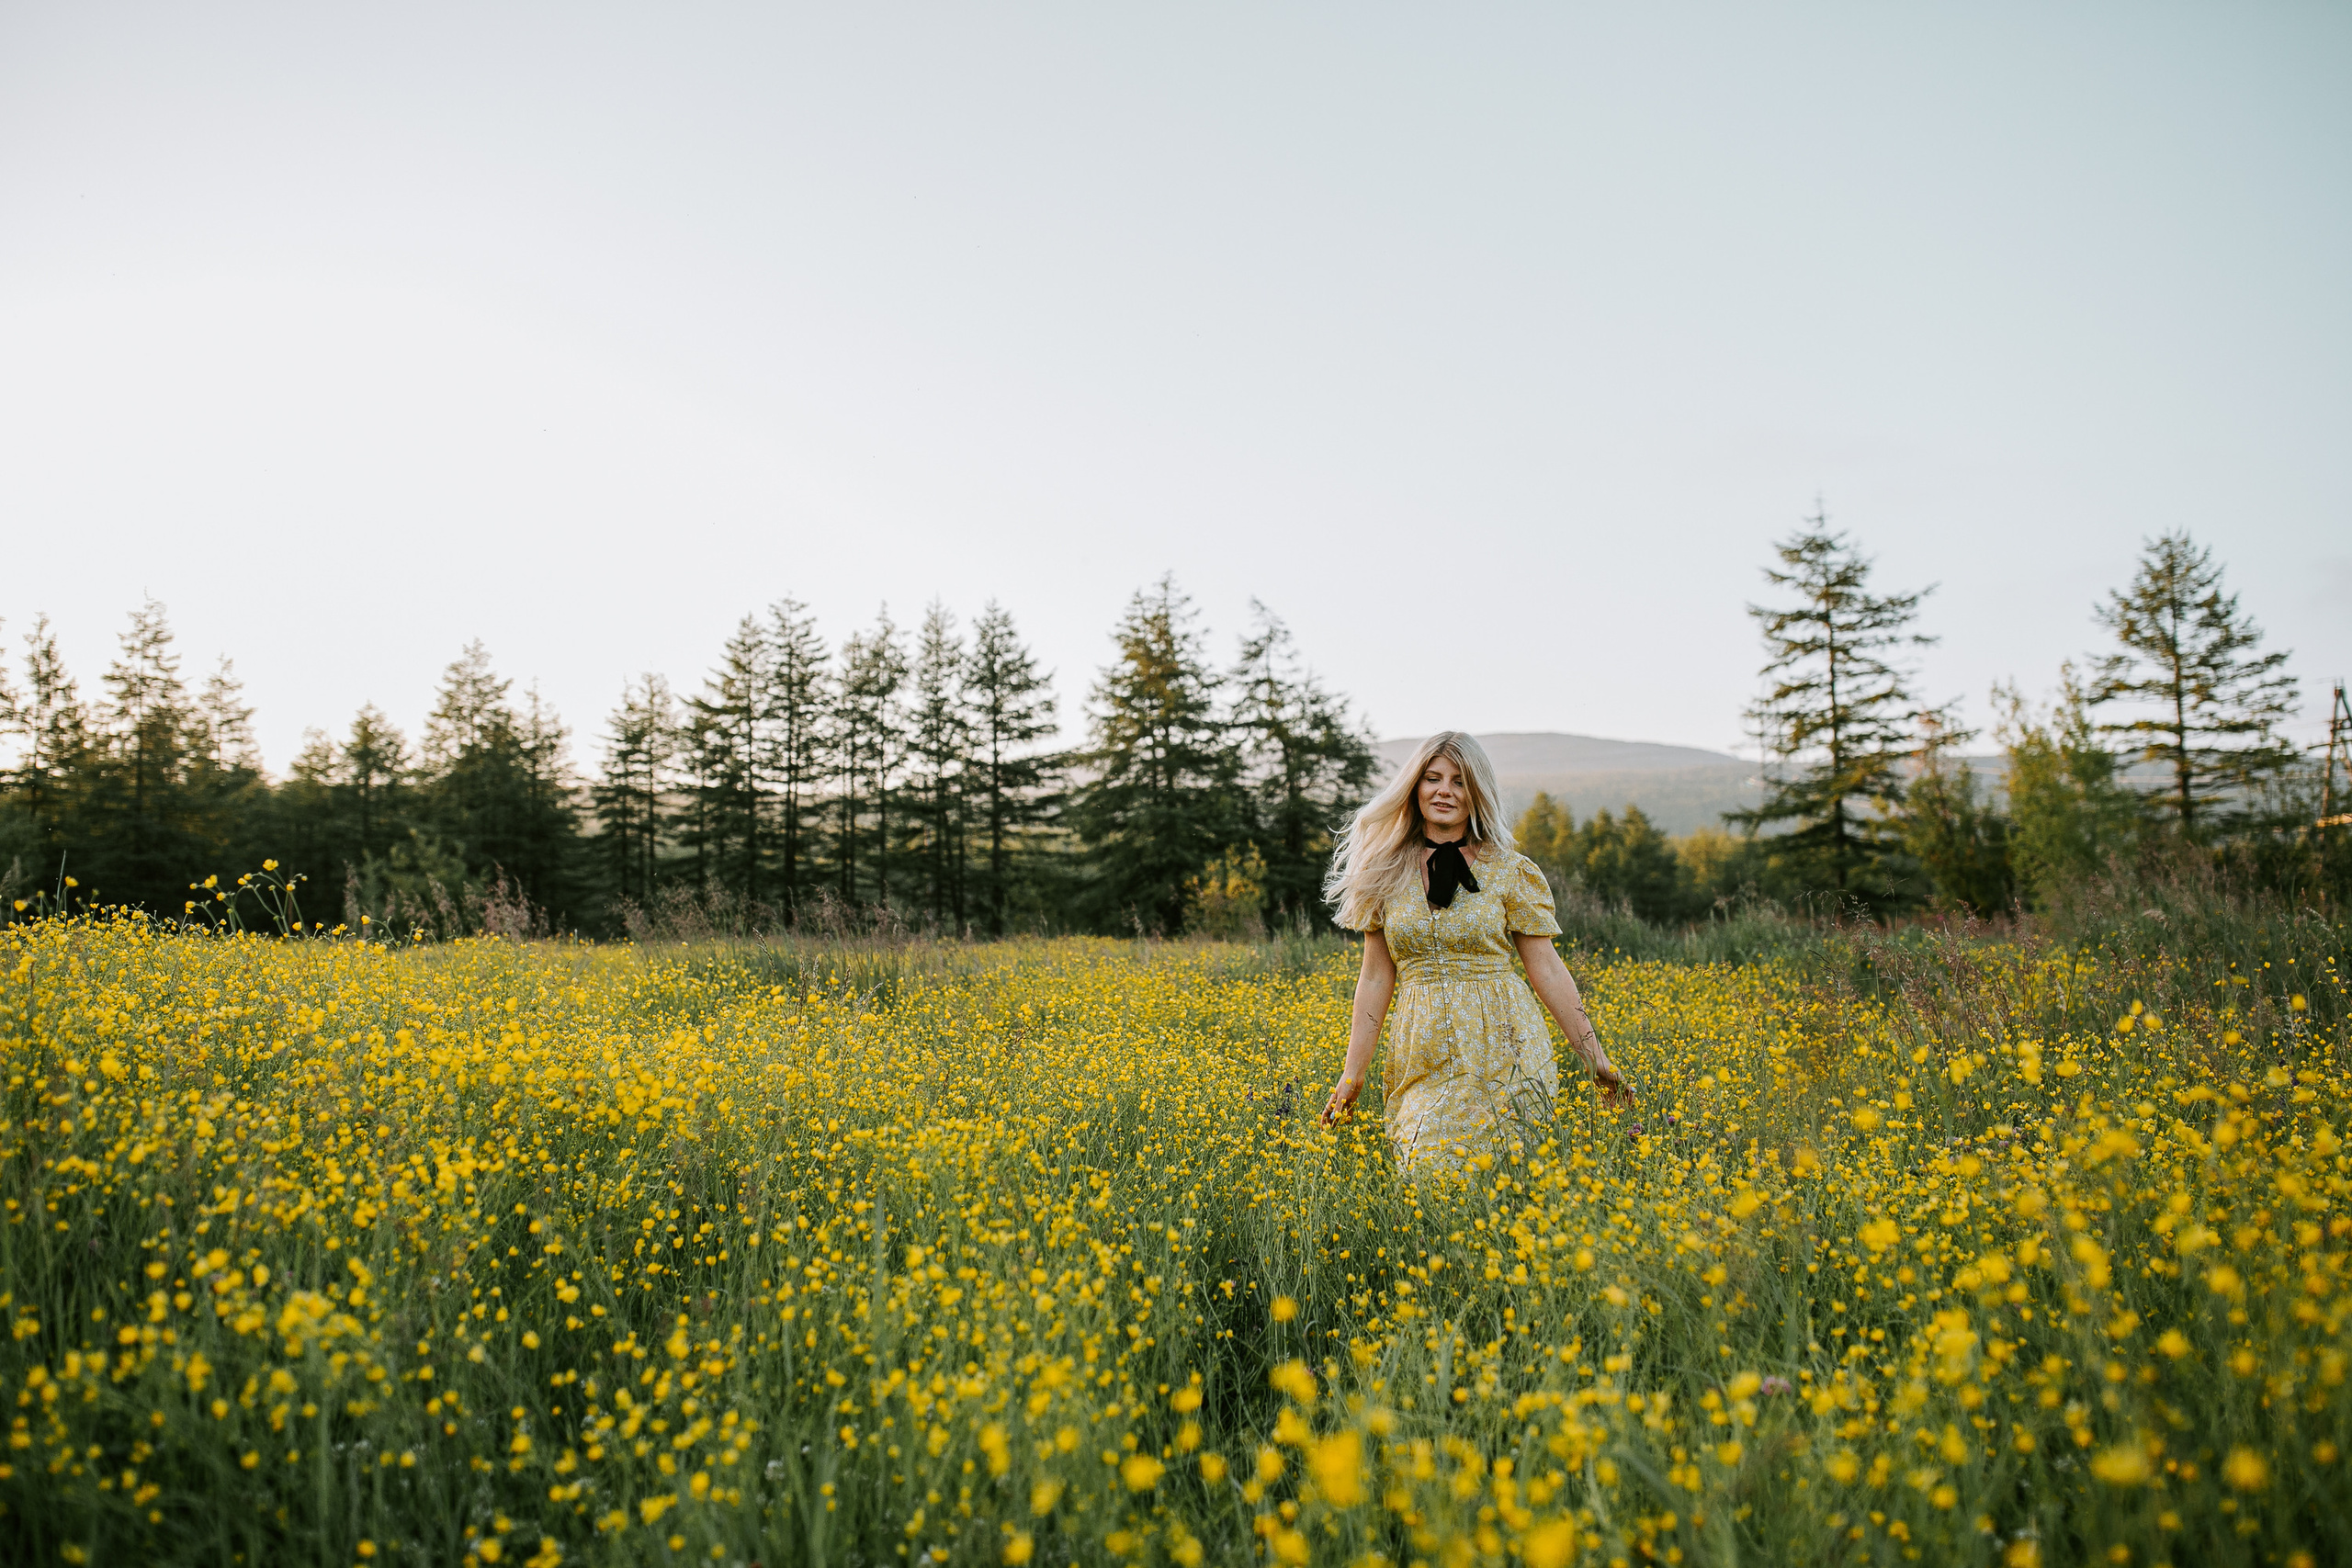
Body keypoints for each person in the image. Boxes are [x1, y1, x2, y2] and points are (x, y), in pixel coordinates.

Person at [1319, 730, 1630, 1166]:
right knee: (1424, 1175)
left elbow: (1547, 968)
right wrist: (1352, 1077)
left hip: (1508, 1047)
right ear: (1414, 786)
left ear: (1477, 792)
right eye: (1433, 778)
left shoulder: (1510, 870)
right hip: (1420, 1052)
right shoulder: (1382, 872)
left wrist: (1596, 1058)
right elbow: (1374, 977)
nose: (1445, 791)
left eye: (1460, 781)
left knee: (1508, 1184)